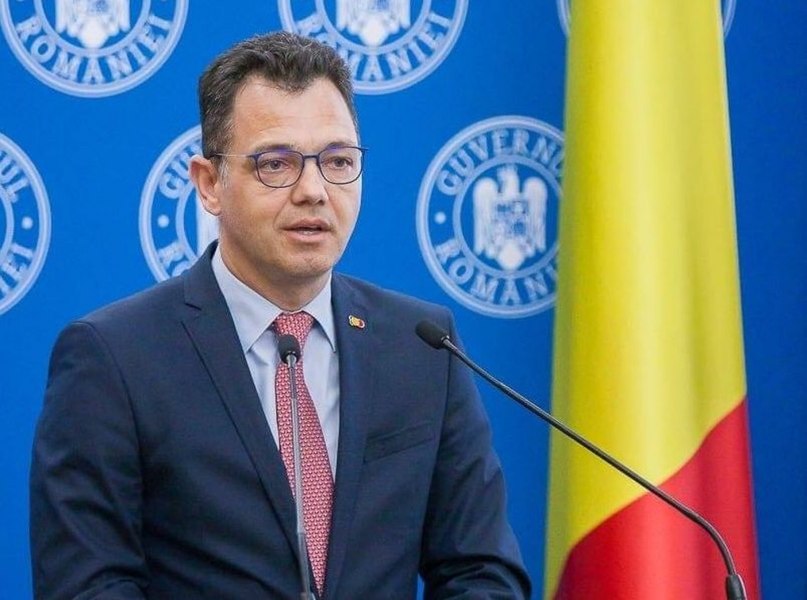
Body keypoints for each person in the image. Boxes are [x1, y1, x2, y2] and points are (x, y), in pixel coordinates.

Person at [29, 32, 530, 599]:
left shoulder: (422, 346)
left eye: (338, 161)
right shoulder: (114, 357)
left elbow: (480, 571)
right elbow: (88, 584)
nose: (314, 191)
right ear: (209, 184)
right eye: (276, 164)